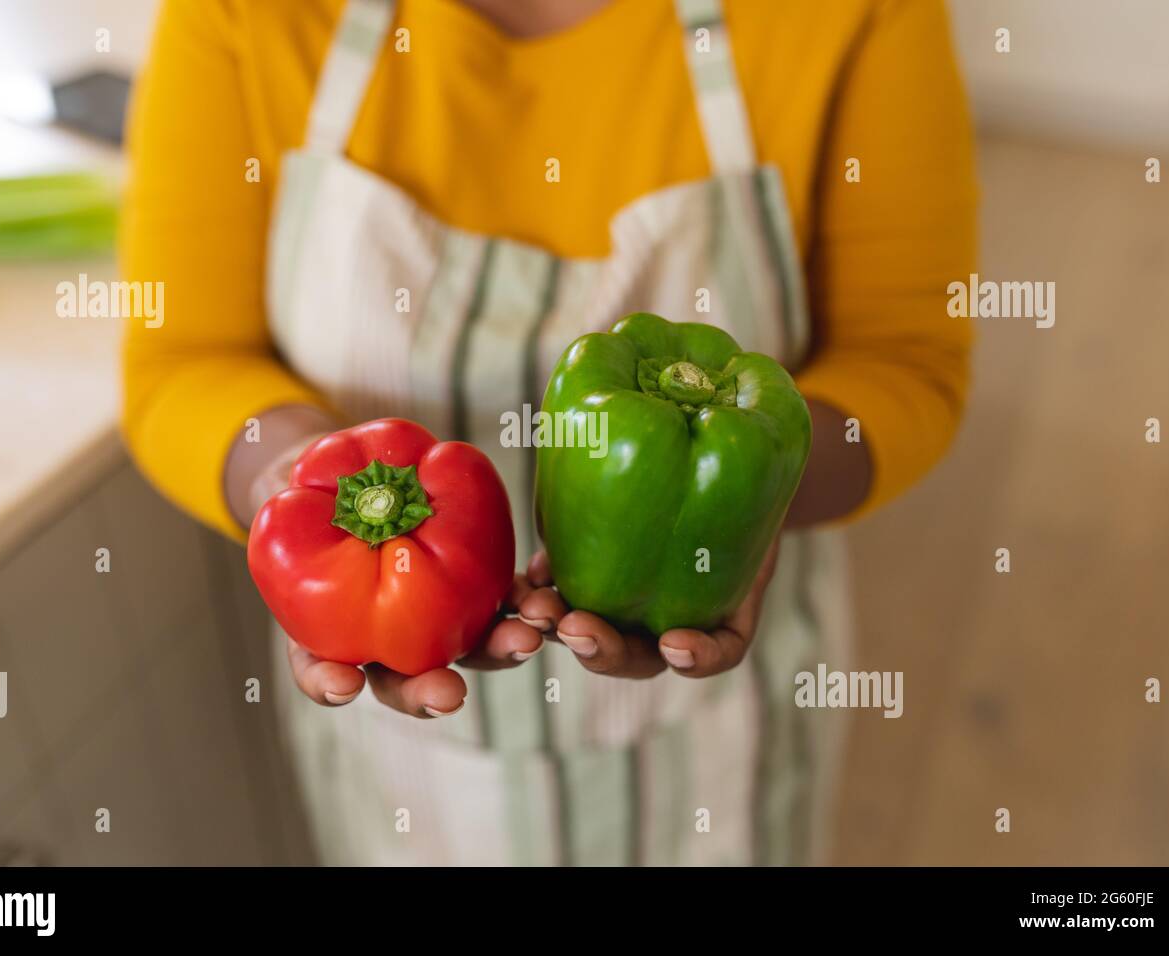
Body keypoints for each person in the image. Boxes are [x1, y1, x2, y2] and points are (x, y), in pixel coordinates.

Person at [121, 0, 975, 865]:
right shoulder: (239, 15)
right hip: (400, 750)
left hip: (718, 732)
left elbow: (906, 367)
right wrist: (300, 489)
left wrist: (744, 505)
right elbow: (181, 362)